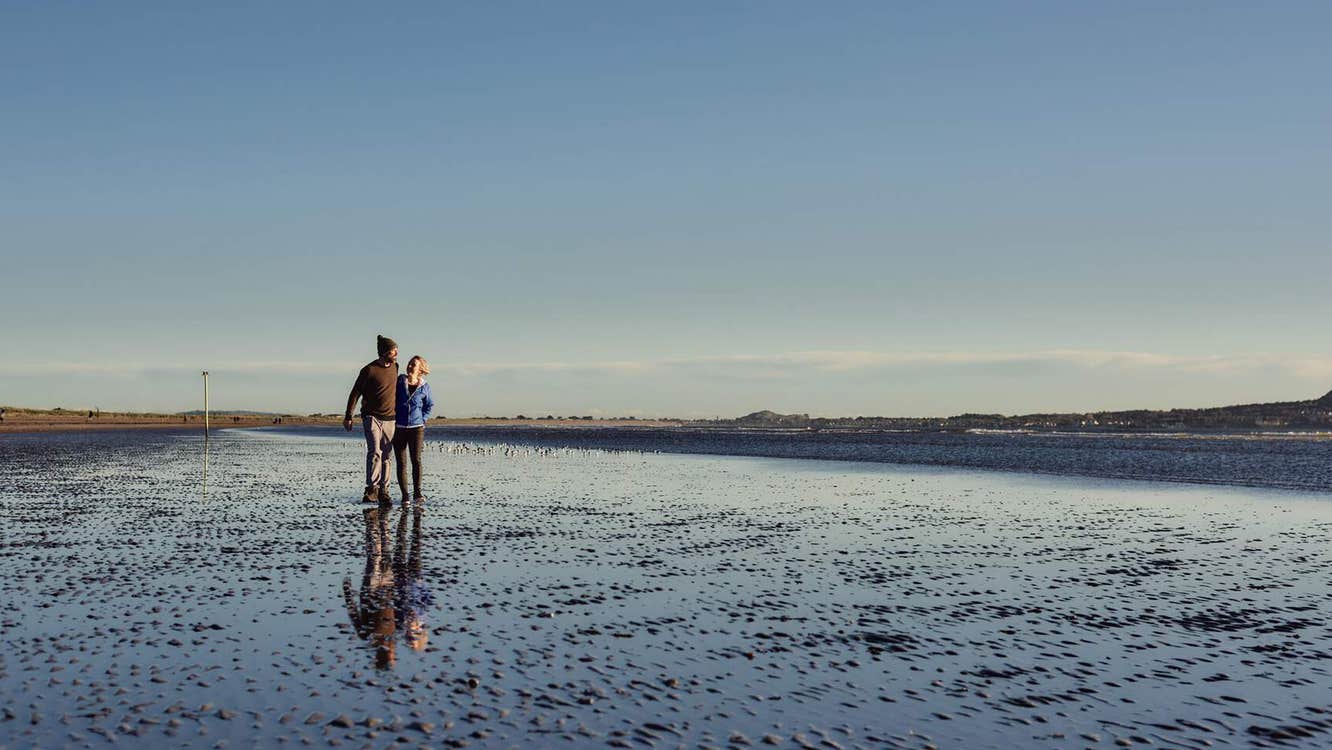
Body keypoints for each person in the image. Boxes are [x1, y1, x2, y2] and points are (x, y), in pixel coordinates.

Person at [345, 335, 399, 503]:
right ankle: (371, 489)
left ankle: (384, 490)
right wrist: (349, 416)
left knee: (387, 455)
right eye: (393, 350)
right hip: (372, 417)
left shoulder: (395, 367)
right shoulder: (369, 370)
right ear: (384, 352)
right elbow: (355, 393)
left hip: (391, 418)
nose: (396, 353)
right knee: (375, 451)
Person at [393, 356, 434, 503]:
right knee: (401, 462)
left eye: (414, 365)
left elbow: (429, 405)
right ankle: (405, 495)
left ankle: (417, 493)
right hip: (399, 427)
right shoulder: (399, 381)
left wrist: (423, 420)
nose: (410, 366)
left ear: (420, 369)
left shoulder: (424, 386)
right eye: (409, 363)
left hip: (417, 428)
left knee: (416, 460)